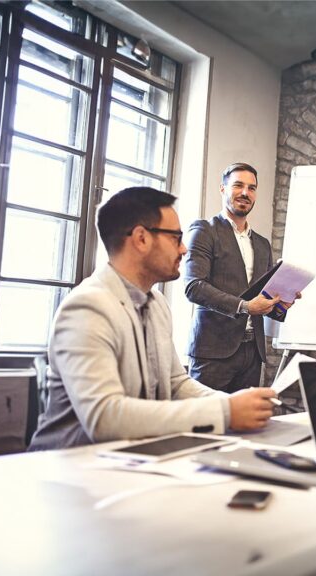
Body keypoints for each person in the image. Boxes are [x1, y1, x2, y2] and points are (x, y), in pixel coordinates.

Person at [29, 187, 276, 450]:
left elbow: (176, 384)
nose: (183, 249)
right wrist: (225, 412)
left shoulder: (157, 304)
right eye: (176, 238)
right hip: (73, 467)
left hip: (131, 458)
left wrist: (238, 404)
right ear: (141, 239)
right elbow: (104, 417)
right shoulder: (87, 307)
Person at [184, 163, 293, 393]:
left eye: (252, 188)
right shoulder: (204, 231)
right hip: (213, 353)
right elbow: (194, 287)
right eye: (238, 185)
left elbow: (264, 299)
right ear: (223, 189)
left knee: (246, 427)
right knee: (206, 424)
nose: (245, 193)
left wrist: (282, 301)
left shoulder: (262, 244)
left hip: (252, 354)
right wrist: (244, 306)